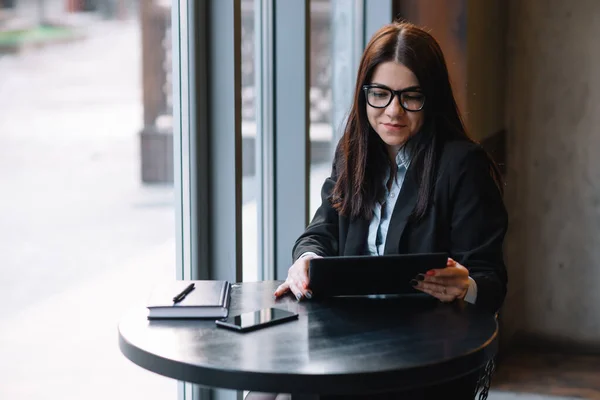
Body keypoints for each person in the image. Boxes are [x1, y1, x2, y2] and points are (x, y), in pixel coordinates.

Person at [249, 19, 508, 400]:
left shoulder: (461, 165)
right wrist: (307, 259)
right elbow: (322, 230)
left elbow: (491, 280)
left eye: (410, 97)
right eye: (380, 94)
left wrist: (464, 287)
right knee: (260, 391)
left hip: (422, 352)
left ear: (430, 97)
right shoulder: (353, 151)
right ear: (363, 94)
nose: (393, 111)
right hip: (346, 336)